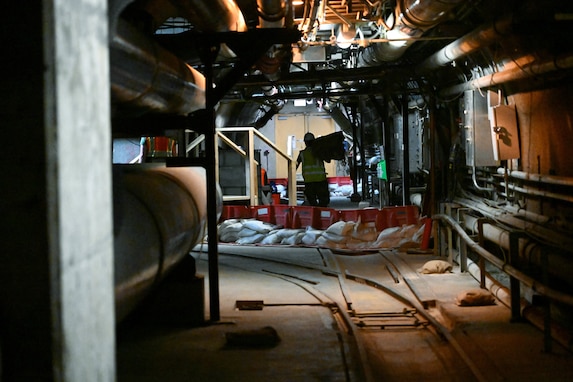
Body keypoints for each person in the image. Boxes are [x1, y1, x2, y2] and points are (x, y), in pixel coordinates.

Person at [296, 132, 330, 207]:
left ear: (305, 142)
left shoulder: (302, 154)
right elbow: (328, 160)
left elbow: (294, 166)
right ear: (314, 141)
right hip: (320, 180)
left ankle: (315, 216)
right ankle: (323, 215)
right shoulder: (319, 152)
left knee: (312, 204)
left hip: (309, 182)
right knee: (323, 202)